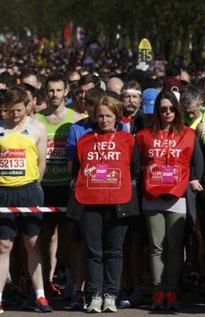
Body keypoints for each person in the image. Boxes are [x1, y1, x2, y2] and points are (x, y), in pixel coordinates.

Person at [67, 96, 141, 313]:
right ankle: (95, 295)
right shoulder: (85, 140)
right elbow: (77, 171)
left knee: (114, 251)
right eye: (100, 116)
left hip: (118, 201)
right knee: (93, 252)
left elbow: (135, 169)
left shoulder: (128, 139)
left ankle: (111, 294)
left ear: (117, 116)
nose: (104, 120)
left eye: (108, 116)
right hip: (89, 202)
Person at [0, 86, 52, 314]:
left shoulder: (38, 128)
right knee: (3, 245)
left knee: (32, 244)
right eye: (10, 111)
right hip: (4, 191)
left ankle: (40, 296)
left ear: (28, 106)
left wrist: (31, 184)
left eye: (19, 110)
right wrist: (4, 182)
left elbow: (42, 164)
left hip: (30, 190)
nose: (14, 115)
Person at [136, 91, 204, 310]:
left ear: (178, 110)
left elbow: (196, 163)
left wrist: (193, 180)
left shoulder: (188, 134)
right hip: (151, 197)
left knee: (175, 248)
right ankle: (158, 292)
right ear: (157, 110)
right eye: (163, 109)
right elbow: (136, 166)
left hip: (178, 196)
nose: (167, 113)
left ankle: (172, 292)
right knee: (157, 248)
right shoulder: (143, 135)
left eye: (171, 109)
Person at [37, 74, 81, 299]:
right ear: (46, 92)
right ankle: (46, 281)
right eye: (50, 90)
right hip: (44, 187)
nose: (54, 95)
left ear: (66, 92)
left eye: (58, 90)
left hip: (68, 186)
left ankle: (73, 282)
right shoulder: (36, 119)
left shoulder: (76, 119)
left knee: (70, 238)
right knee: (45, 238)